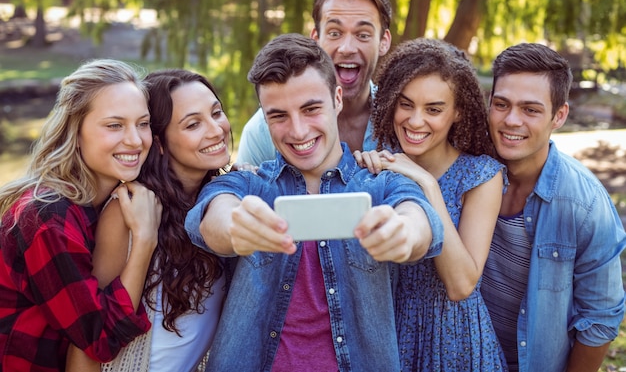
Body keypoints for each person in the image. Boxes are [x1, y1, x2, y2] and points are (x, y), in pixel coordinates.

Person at [185, 33, 444, 371]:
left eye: (311, 109)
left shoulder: (379, 183)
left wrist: (405, 232)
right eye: (278, 116)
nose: (298, 131)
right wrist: (235, 226)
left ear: (337, 99)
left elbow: (417, 215)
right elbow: (213, 213)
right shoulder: (251, 185)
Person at [355, 38, 508, 371]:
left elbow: (462, 284)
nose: (415, 121)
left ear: (458, 112)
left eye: (433, 109)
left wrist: (427, 185)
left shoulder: (481, 176)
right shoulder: (379, 166)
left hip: (454, 343)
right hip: (387, 334)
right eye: (405, 104)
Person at [0, 59, 161, 372]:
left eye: (143, 123)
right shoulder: (47, 217)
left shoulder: (104, 204)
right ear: (76, 130)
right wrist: (144, 239)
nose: (135, 140)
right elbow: (99, 339)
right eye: (114, 125)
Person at [65, 70, 231, 371]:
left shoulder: (221, 198)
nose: (216, 130)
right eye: (193, 124)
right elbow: (88, 341)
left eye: (216, 113)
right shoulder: (130, 209)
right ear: (160, 143)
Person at [480, 43, 626, 372]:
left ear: (559, 115)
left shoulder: (585, 203)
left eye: (530, 110)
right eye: (501, 104)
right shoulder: (465, 171)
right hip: (463, 358)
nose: (511, 120)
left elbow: (601, 318)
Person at [236, 0, 392, 165]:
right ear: (316, 39)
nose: (347, 48)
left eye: (363, 35)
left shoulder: (402, 121)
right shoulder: (262, 131)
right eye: (335, 33)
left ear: (383, 42)